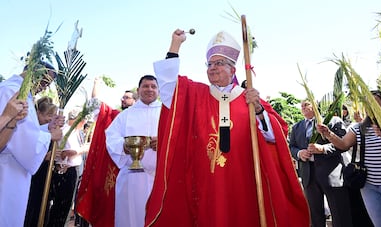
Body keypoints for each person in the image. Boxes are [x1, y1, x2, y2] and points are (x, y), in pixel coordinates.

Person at [145, 29, 309, 226]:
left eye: (219, 63)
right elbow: (168, 85)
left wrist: (258, 110)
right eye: (210, 64)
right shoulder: (196, 95)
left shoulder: (249, 99)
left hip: (244, 179)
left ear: (233, 70)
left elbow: (275, 136)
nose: (213, 68)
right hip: (205, 182)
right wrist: (175, 45)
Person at [317, 90, 381, 227]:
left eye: (373, 102)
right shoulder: (359, 128)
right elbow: (343, 145)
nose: (369, 106)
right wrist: (329, 134)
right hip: (369, 186)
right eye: (366, 103)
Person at [0, 62, 64, 227]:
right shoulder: (13, 91)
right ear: (33, 73)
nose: (43, 88)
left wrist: (46, 128)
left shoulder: (23, 93)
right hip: (7, 171)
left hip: (13, 170)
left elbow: (25, 131)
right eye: (43, 82)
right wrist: (49, 136)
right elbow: (18, 139)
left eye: (47, 85)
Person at [75, 78, 138, 227]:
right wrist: (96, 85)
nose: (123, 99)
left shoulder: (148, 118)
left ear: (135, 100)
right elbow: (96, 104)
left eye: (127, 97)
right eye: (122, 97)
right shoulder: (114, 116)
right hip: (113, 172)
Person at [106, 75, 161, 227]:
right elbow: (111, 138)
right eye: (145, 86)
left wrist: (164, 143)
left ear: (159, 91)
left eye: (153, 86)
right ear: (138, 90)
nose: (149, 89)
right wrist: (124, 146)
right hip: (132, 180)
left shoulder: (166, 114)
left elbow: (178, 138)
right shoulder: (126, 115)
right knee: (130, 220)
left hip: (160, 179)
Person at [289, 99, 353, 227]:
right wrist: (299, 153)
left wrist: (323, 149)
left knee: (340, 214)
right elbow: (292, 147)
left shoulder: (333, 121)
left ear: (315, 106)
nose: (303, 107)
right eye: (302, 106)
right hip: (309, 176)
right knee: (315, 216)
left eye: (306, 104)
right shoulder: (296, 127)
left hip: (331, 174)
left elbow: (344, 144)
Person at [46, 108, 88, 227]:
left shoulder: (74, 132)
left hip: (72, 170)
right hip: (65, 170)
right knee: (61, 206)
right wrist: (83, 150)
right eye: (83, 119)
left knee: (66, 205)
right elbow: (65, 152)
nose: (84, 122)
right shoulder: (66, 131)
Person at [24, 97, 59, 227]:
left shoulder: (47, 129)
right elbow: (28, 152)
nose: (50, 119)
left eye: (53, 116)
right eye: (48, 115)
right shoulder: (30, 128)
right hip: (34, 175)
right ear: (38, 113)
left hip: (44, 174)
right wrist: (46, 156)